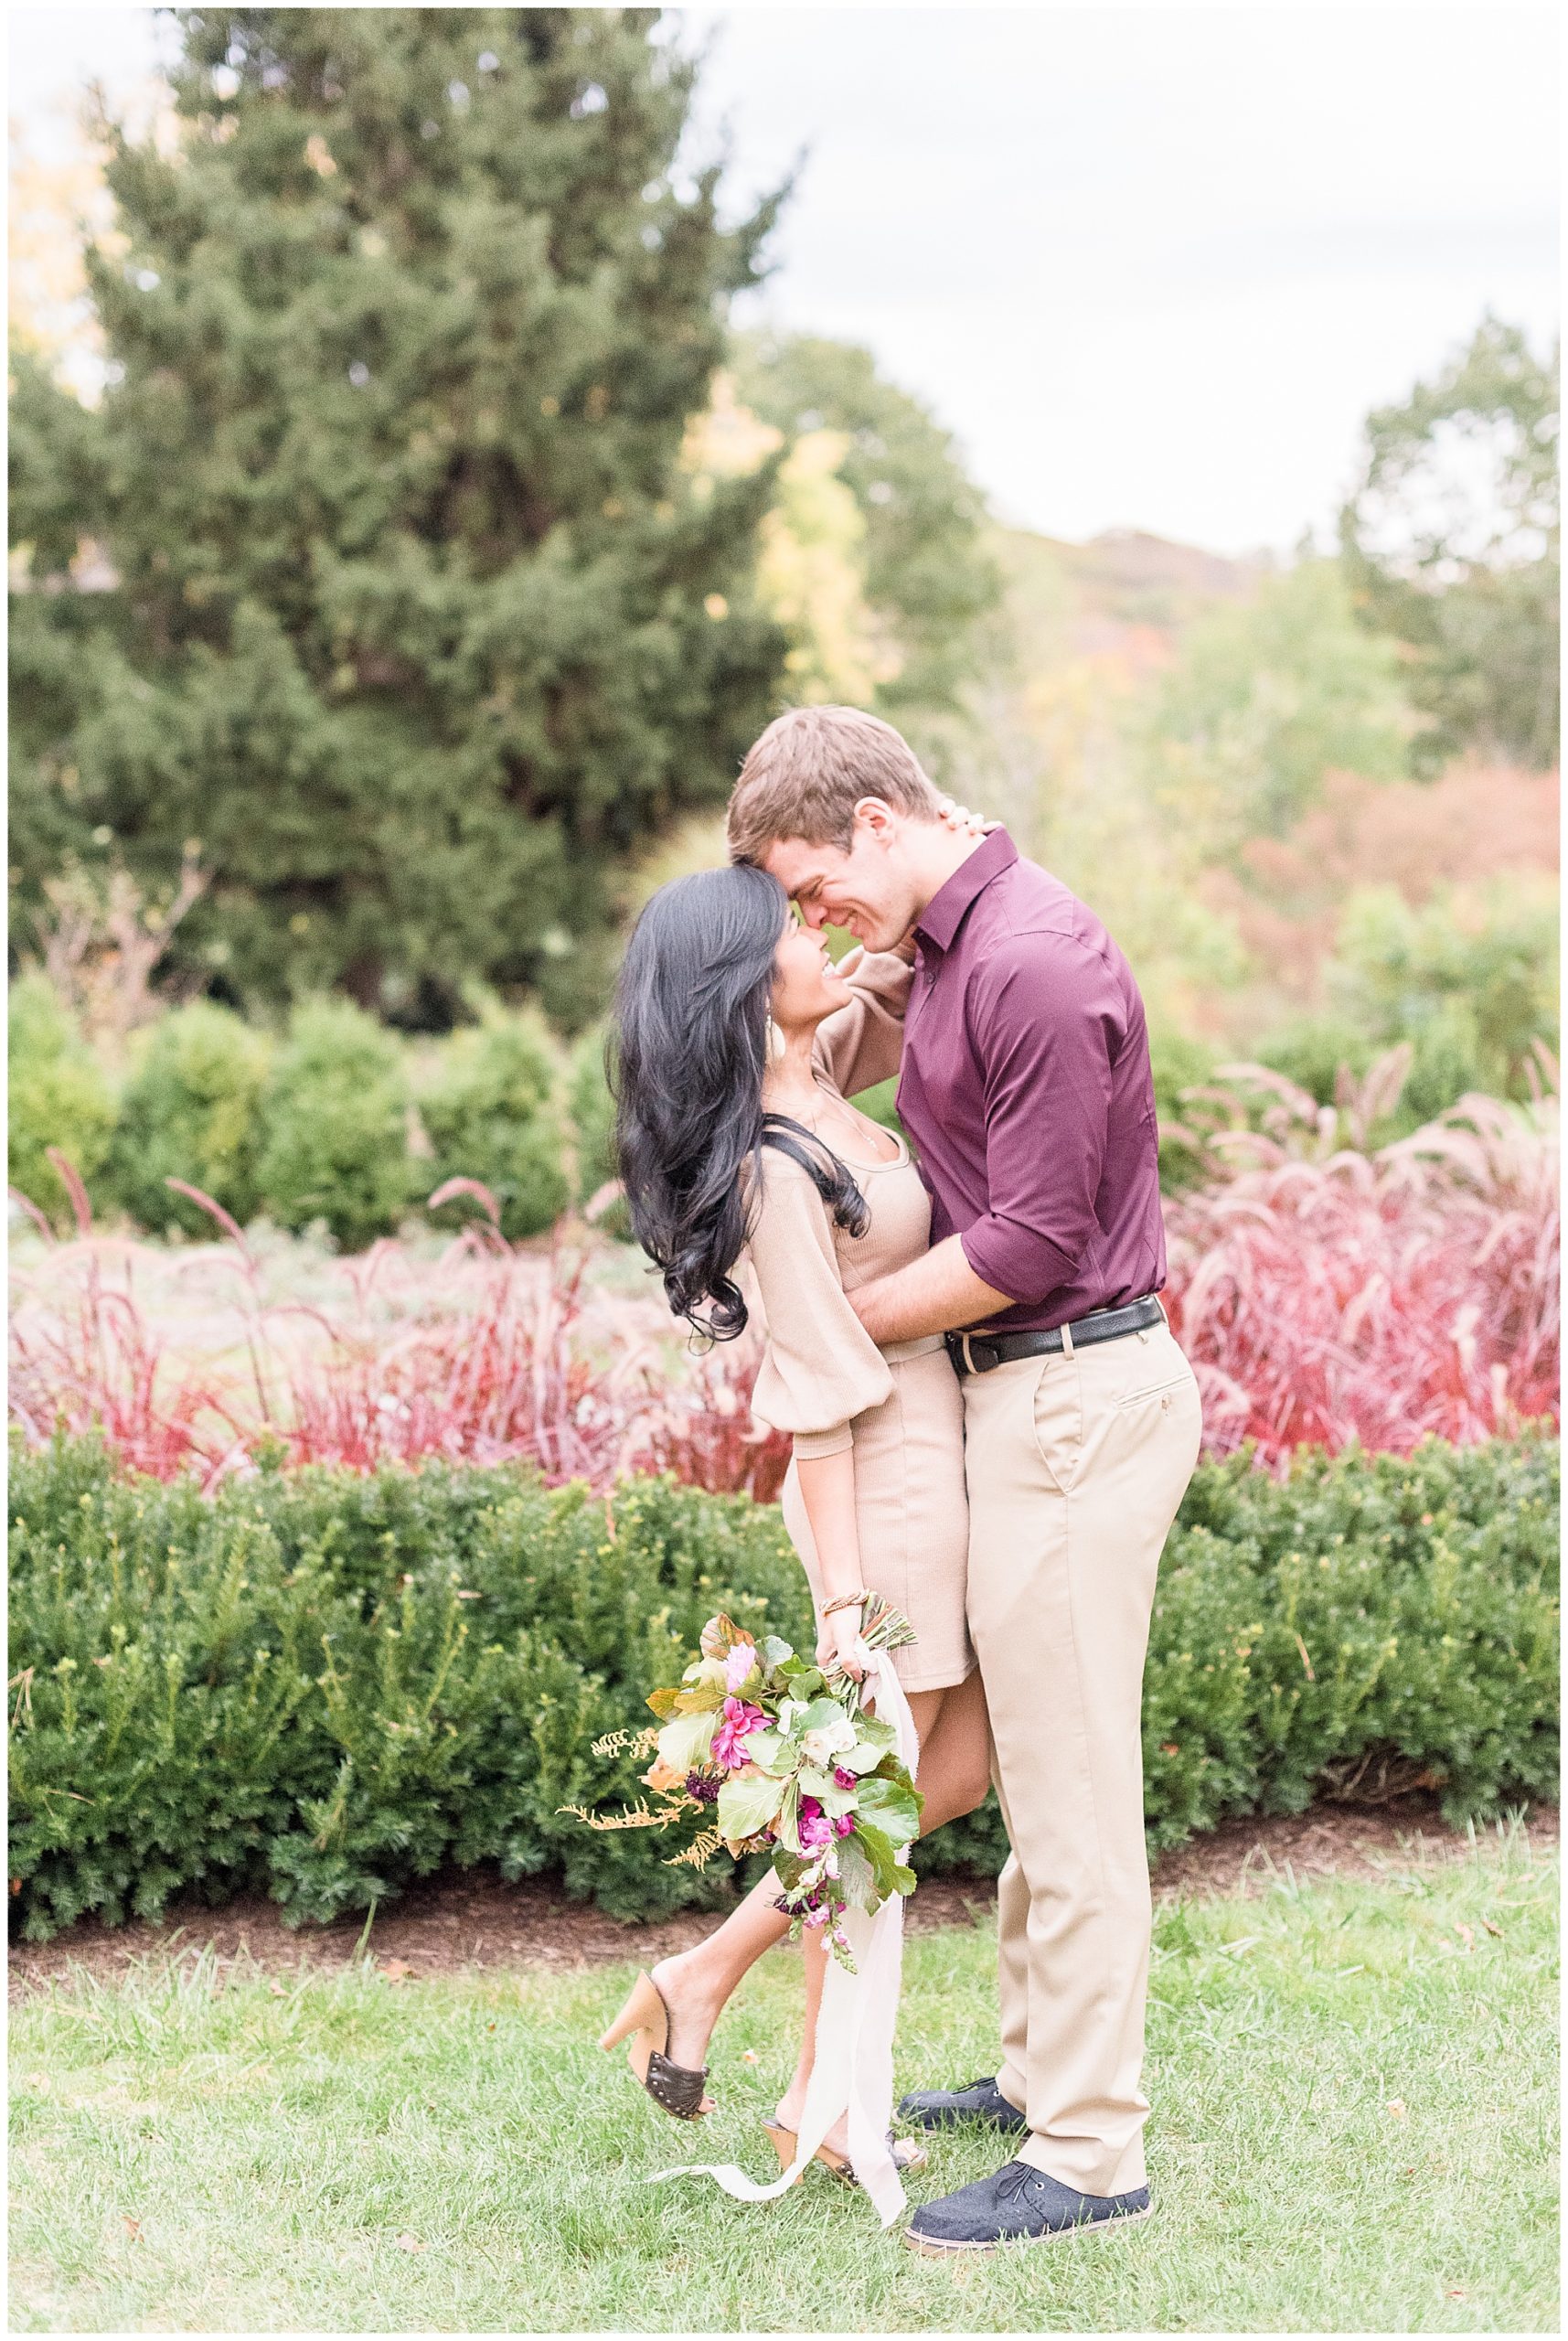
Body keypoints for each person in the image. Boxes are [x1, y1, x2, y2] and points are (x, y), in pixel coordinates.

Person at [726, 703, 1203, 2256]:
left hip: (1076, 1395)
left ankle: (1085, 2154)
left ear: (878, 818)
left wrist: (830, 1325)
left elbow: (1034, 1243)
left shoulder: (1031, 961)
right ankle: (1027, 2071)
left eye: (814, 887)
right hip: (1021, 1402)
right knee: (1022, 1758)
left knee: (1073, 1797)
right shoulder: (947, 948)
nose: (817, 921)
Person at [598, 850, 993, 2190]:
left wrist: (947, 854)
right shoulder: (772, 1167)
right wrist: (842, 1609)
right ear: (742, 984)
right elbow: (817, 1409)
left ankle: (707, 1973)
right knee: (882, 1795)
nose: (826, 939)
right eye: (794, 932)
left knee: (932, 1784)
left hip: (935, 1470)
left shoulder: (820, 1072)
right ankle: (819, 2102)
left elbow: (910, 957)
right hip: (881, 1497)